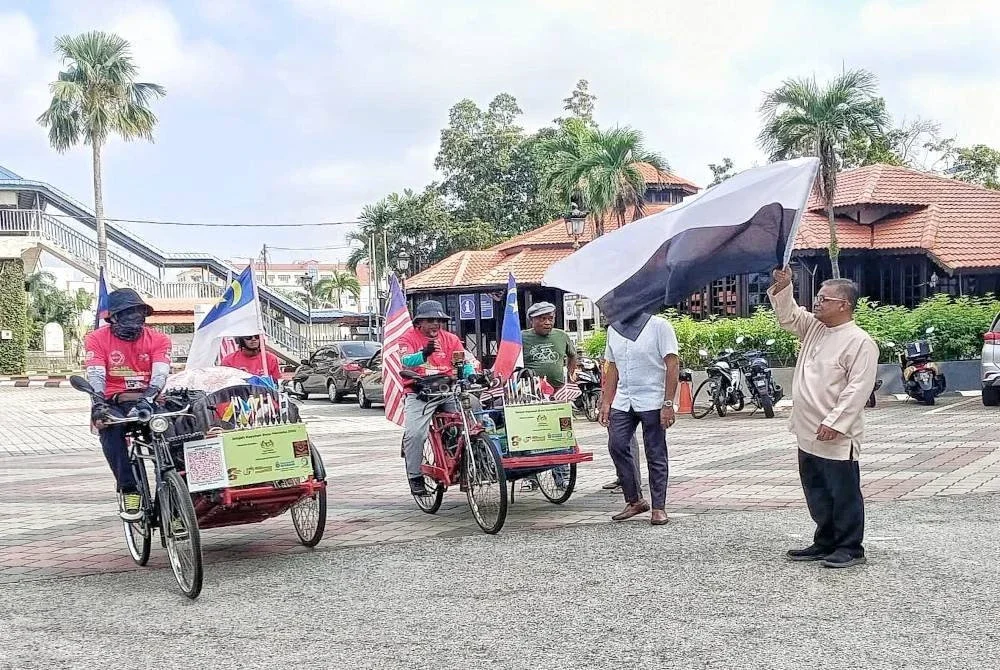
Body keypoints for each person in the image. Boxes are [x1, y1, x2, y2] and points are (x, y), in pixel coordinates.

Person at [768, 266, 878, 569]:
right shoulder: (815, 327)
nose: (817, 304)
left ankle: (850, 546)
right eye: (817, 298)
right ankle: (825, 540)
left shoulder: (859, 341)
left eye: (824, 299)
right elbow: (788, 315)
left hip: (835, 434)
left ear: (844, 305)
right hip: (807, 429)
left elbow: (858, 388)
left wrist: (835, 422)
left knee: (842, 492)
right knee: (816, 490)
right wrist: (785, 284)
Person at [84, 289, 173, 521]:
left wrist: (148, 397)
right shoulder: (96, 339)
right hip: (114, 401)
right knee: (109, 428)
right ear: (113, 317)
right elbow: (96, 375)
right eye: (128, 313)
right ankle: (129, 489)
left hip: (149, 399)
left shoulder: (159, 339)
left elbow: (160, 373)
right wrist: (98, 403)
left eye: (139, 313)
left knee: (178, 428)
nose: (135, 318)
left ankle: (179, 490)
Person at [599, 313, 679, 526]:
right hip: (624, 399)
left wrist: (668, 403)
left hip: (653, 398)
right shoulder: (614, 329)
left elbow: (672, 364)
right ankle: (635, 500)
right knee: (617, 444)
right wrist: (607, 401)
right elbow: (613, 367)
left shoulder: (659, 326)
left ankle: (659, 507)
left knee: (655, 452)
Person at [398, 300, 474, 496]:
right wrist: (424, 353)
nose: (435, 324)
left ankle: (470, 463)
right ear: (419, 323)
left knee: (474, 419)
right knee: (415, 434)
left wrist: (470, 374)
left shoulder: (451, 339)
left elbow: (461, 363)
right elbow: (405, 362)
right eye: (430, 320)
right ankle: (415, 476)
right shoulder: (408, 338)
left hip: (448, 390)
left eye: (439, 320)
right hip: (420, 392)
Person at [520, 301, 576, 491]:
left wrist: (571, 373)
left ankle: (562, 478)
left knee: (559, 434)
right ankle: (531, 477)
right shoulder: (522, 337)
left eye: (550, 318)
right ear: (532, 320)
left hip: (558, 393)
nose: (547, 323)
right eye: (542, 319)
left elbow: (572, 356)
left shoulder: (561, 336)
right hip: (530, 394)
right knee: (532, 436)